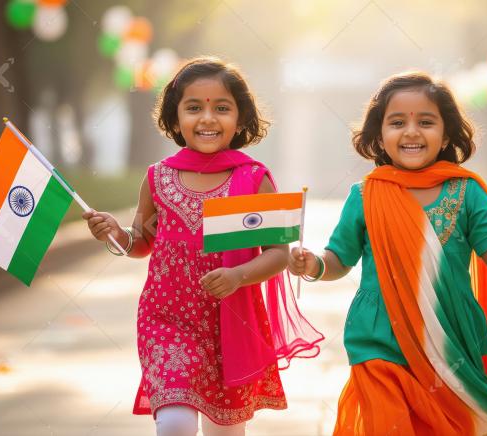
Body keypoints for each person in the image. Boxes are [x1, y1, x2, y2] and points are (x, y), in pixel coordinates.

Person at [288, 71, 487, 435]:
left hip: (449, 339)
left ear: (445, 134)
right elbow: (340, 259)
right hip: (378, 337)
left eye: (425, 122)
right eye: (397, 122)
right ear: (379, 136)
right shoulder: (366, 195)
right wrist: (314, 265)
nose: (411, 132)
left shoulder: (467, 192)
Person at [84, 56, 323, 436]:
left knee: (224, 430)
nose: (208, 118)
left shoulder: (254, 179)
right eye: (194, 107)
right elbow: (142, 241)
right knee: (175, 422)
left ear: (240, 118)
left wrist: (237, 275)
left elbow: (278, 255)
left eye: (222, 108)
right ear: (174, 118)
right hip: (166, 320)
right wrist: (115, 233)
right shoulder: (158, 178)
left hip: (230, 323)